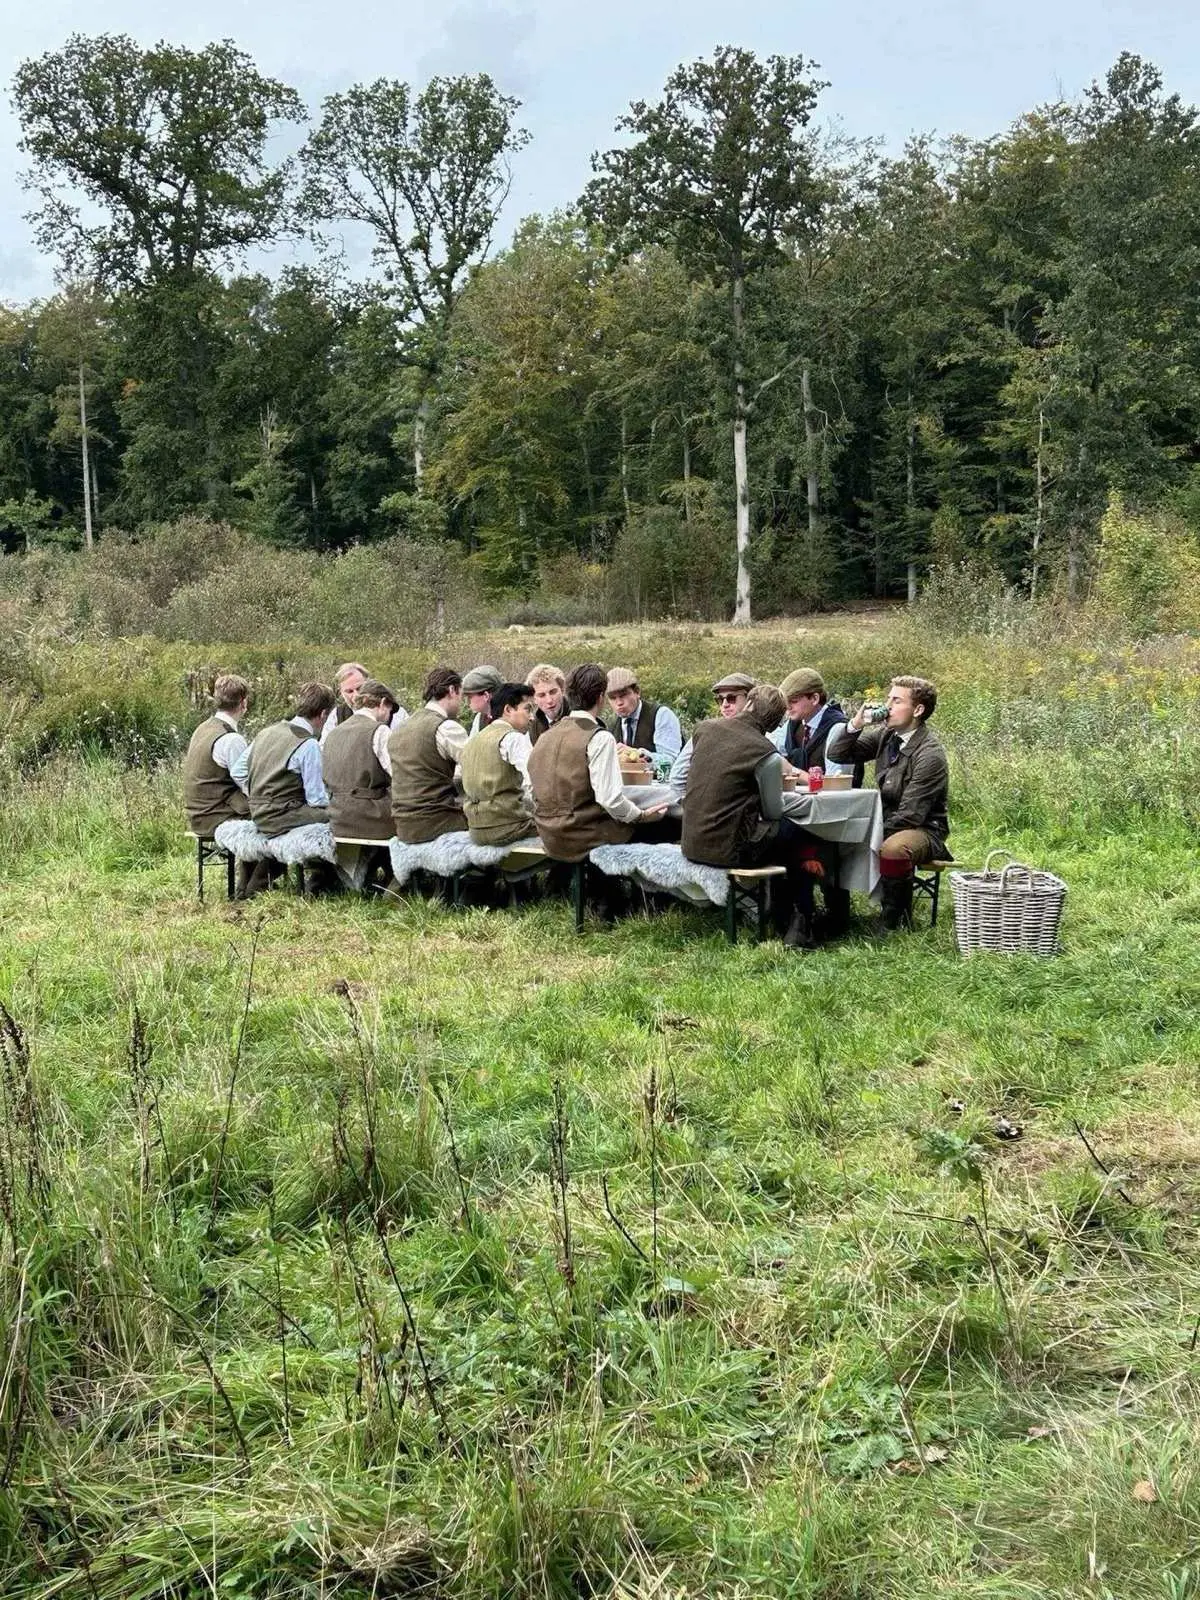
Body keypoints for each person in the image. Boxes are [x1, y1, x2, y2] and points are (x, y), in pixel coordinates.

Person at [681, 683, 827, 949]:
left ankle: (783, 913)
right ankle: (801, 919)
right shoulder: (763, 751)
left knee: (782, 838)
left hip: (691, 841)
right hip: (727, 850)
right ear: (775, 723)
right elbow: (773, 811)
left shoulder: (705, 729)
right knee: (797, 831)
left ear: (748, 703)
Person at [826, 675, 950, 929]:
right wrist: (856, 724)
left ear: (918, 710)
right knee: (834, 834)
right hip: (889, 820)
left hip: (923, 829)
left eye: (896, 701)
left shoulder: (930, 754)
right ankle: (837, 915)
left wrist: (869, 831)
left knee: (894, 848)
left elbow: (911, 815)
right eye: (888, 699)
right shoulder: (887, 736)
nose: (888, 706)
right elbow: (837, 754)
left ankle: (895, 918)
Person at [528, 663, 677, 861]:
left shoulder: (544, 737)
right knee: (668, 823)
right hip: (583, 838)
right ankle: (640, 881)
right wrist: (640, 816)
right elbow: (610, 800)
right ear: (600, 697)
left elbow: (532, 789)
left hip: (550, 837)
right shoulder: (598, 737)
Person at [237, 681, 336, 837]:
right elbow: (316, 800)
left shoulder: (265, 733)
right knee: (339, 815)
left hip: (257, 814)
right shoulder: (308, 744)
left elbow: (238, 771)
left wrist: (259, 798)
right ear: (323, 714)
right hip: (285, 817)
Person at [389, 666, 469, 844]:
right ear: (452, 690)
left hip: (404, 825)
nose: (461, 703)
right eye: (461, 696)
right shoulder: (446, 727)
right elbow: (476, 770)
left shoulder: (399, 729)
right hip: (438, 822)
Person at [322, 678, 400, 841]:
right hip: (373, 820)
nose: (389, 716)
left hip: (337, 819)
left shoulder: (333, 733)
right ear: (383, 703)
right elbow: (400, 775)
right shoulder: (380, 731)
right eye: (390, 710)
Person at [460, 682, 537, 847]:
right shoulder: (513, 738)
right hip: (510, 828)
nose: (532, 717)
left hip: (476, 831)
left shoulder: (472, 742)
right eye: (527, 709)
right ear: (508, 710)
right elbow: (535, 780)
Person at [183, 674, 251, 836]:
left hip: (199, 817)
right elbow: (248, 783)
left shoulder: (203, 728)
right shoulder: (231, 739)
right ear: (243, 703)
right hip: (220, 818)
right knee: (278, 819)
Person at [668, 671, 755, 795]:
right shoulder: (705, 732)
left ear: (750, 700)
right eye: (720, 699)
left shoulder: (764, 736)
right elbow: (677, 778)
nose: (725, 704)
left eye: (731, 698)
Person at [776, 668, 855, 780]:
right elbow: (772, 756)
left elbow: (835, 783)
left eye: (793, 701)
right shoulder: (791, 725)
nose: (787, 707)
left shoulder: (838, 729)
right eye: (785, 701)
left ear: (814, 698)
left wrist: (792, 771)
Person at [605, 668, 682, 760]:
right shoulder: (612, 726)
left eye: (623, 695)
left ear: (637, 692)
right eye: (613, 698)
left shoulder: (661, 715)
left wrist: (638, 754)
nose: (619, 703)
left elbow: (670, 760)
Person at [526, 663, 567, 744]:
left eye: (553, 692)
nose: (549, 700)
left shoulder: (578, 718)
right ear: (534, 699)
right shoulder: (534, 727)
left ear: (562, 690)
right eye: (542, 695)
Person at [462, 665, 504, 737]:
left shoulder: (509, 717)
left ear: (486, 696)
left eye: (470, 697)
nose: (467, 703)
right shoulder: (480, 718)